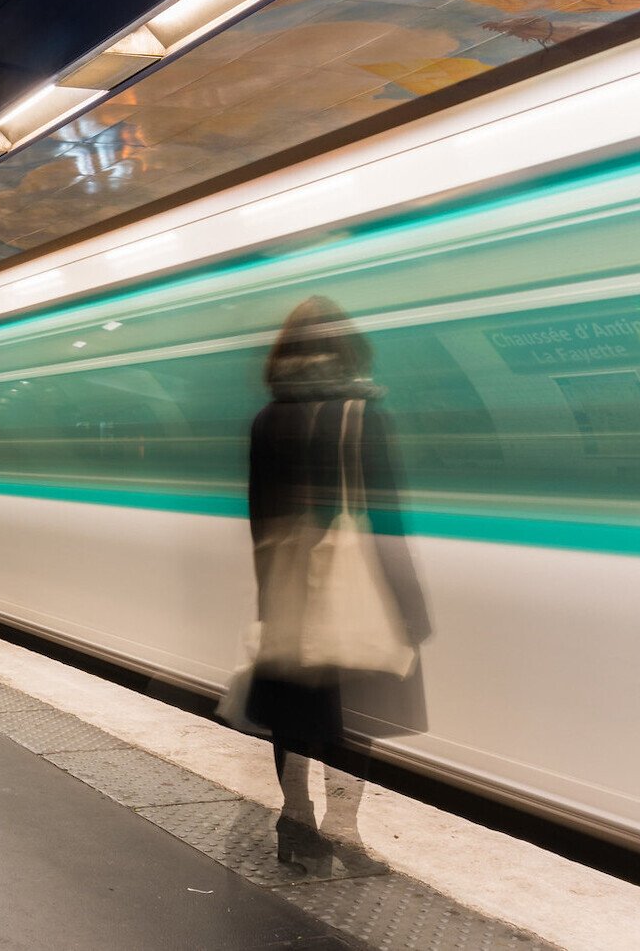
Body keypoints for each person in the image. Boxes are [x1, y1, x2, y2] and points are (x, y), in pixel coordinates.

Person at [247, 296, 412, 872]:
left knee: (294, 717)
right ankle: (344, 831)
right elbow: (386, 521)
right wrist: (408, 607)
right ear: (351, 349)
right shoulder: (364, 415)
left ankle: (296, 825)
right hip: (355, 594)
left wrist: (270, 602)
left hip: (291, 592)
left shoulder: (268, 418)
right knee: (354, 720)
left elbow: (261, 521)